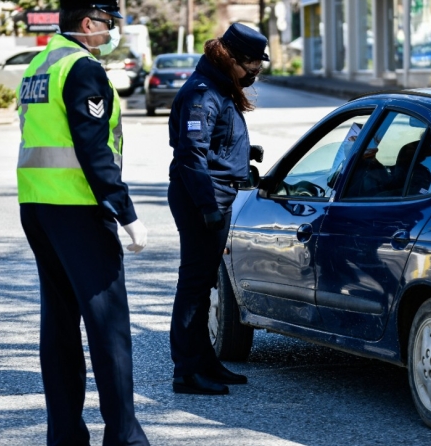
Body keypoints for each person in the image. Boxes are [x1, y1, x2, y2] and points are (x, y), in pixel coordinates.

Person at [16, 1, 150, 444]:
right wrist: (126, 212)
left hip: (37, 206)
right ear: (88, 22)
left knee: (58, 326)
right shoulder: (82, 69)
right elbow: (93, 148)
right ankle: (124, 437)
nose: (111, 32)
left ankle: (66, 437)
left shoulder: (39, 64)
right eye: (108, 23)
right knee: (108, 324)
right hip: (78, 208)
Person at [166, 23, 268, 395]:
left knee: (204, 283)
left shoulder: (219, 86)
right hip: (201, 198)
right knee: (193, 287)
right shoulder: (202, 92)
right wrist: (208, 207)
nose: (256, 70)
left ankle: (205, 362)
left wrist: (243, 154)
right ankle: (186, 371)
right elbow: (191, 153)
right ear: (233, 59)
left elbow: (212, 145)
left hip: (214, 193)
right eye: (253, 63)